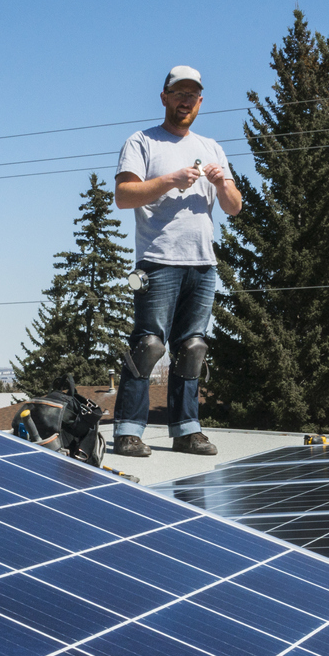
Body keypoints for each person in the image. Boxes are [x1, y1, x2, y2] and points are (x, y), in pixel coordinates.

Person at [111, 65, 242, 458]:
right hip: (158, 261)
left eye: (193, 94)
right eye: (179, 92)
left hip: (204, 263)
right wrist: (171, 180)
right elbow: (124, 195)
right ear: (164, 97)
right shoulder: (142, 142)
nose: (185, 100)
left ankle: (187, 430)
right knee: (148, 345)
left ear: (200, 102)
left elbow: (234, 208)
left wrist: (220, 184)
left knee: (193, 348)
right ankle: (128, 431)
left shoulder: (213, 147)